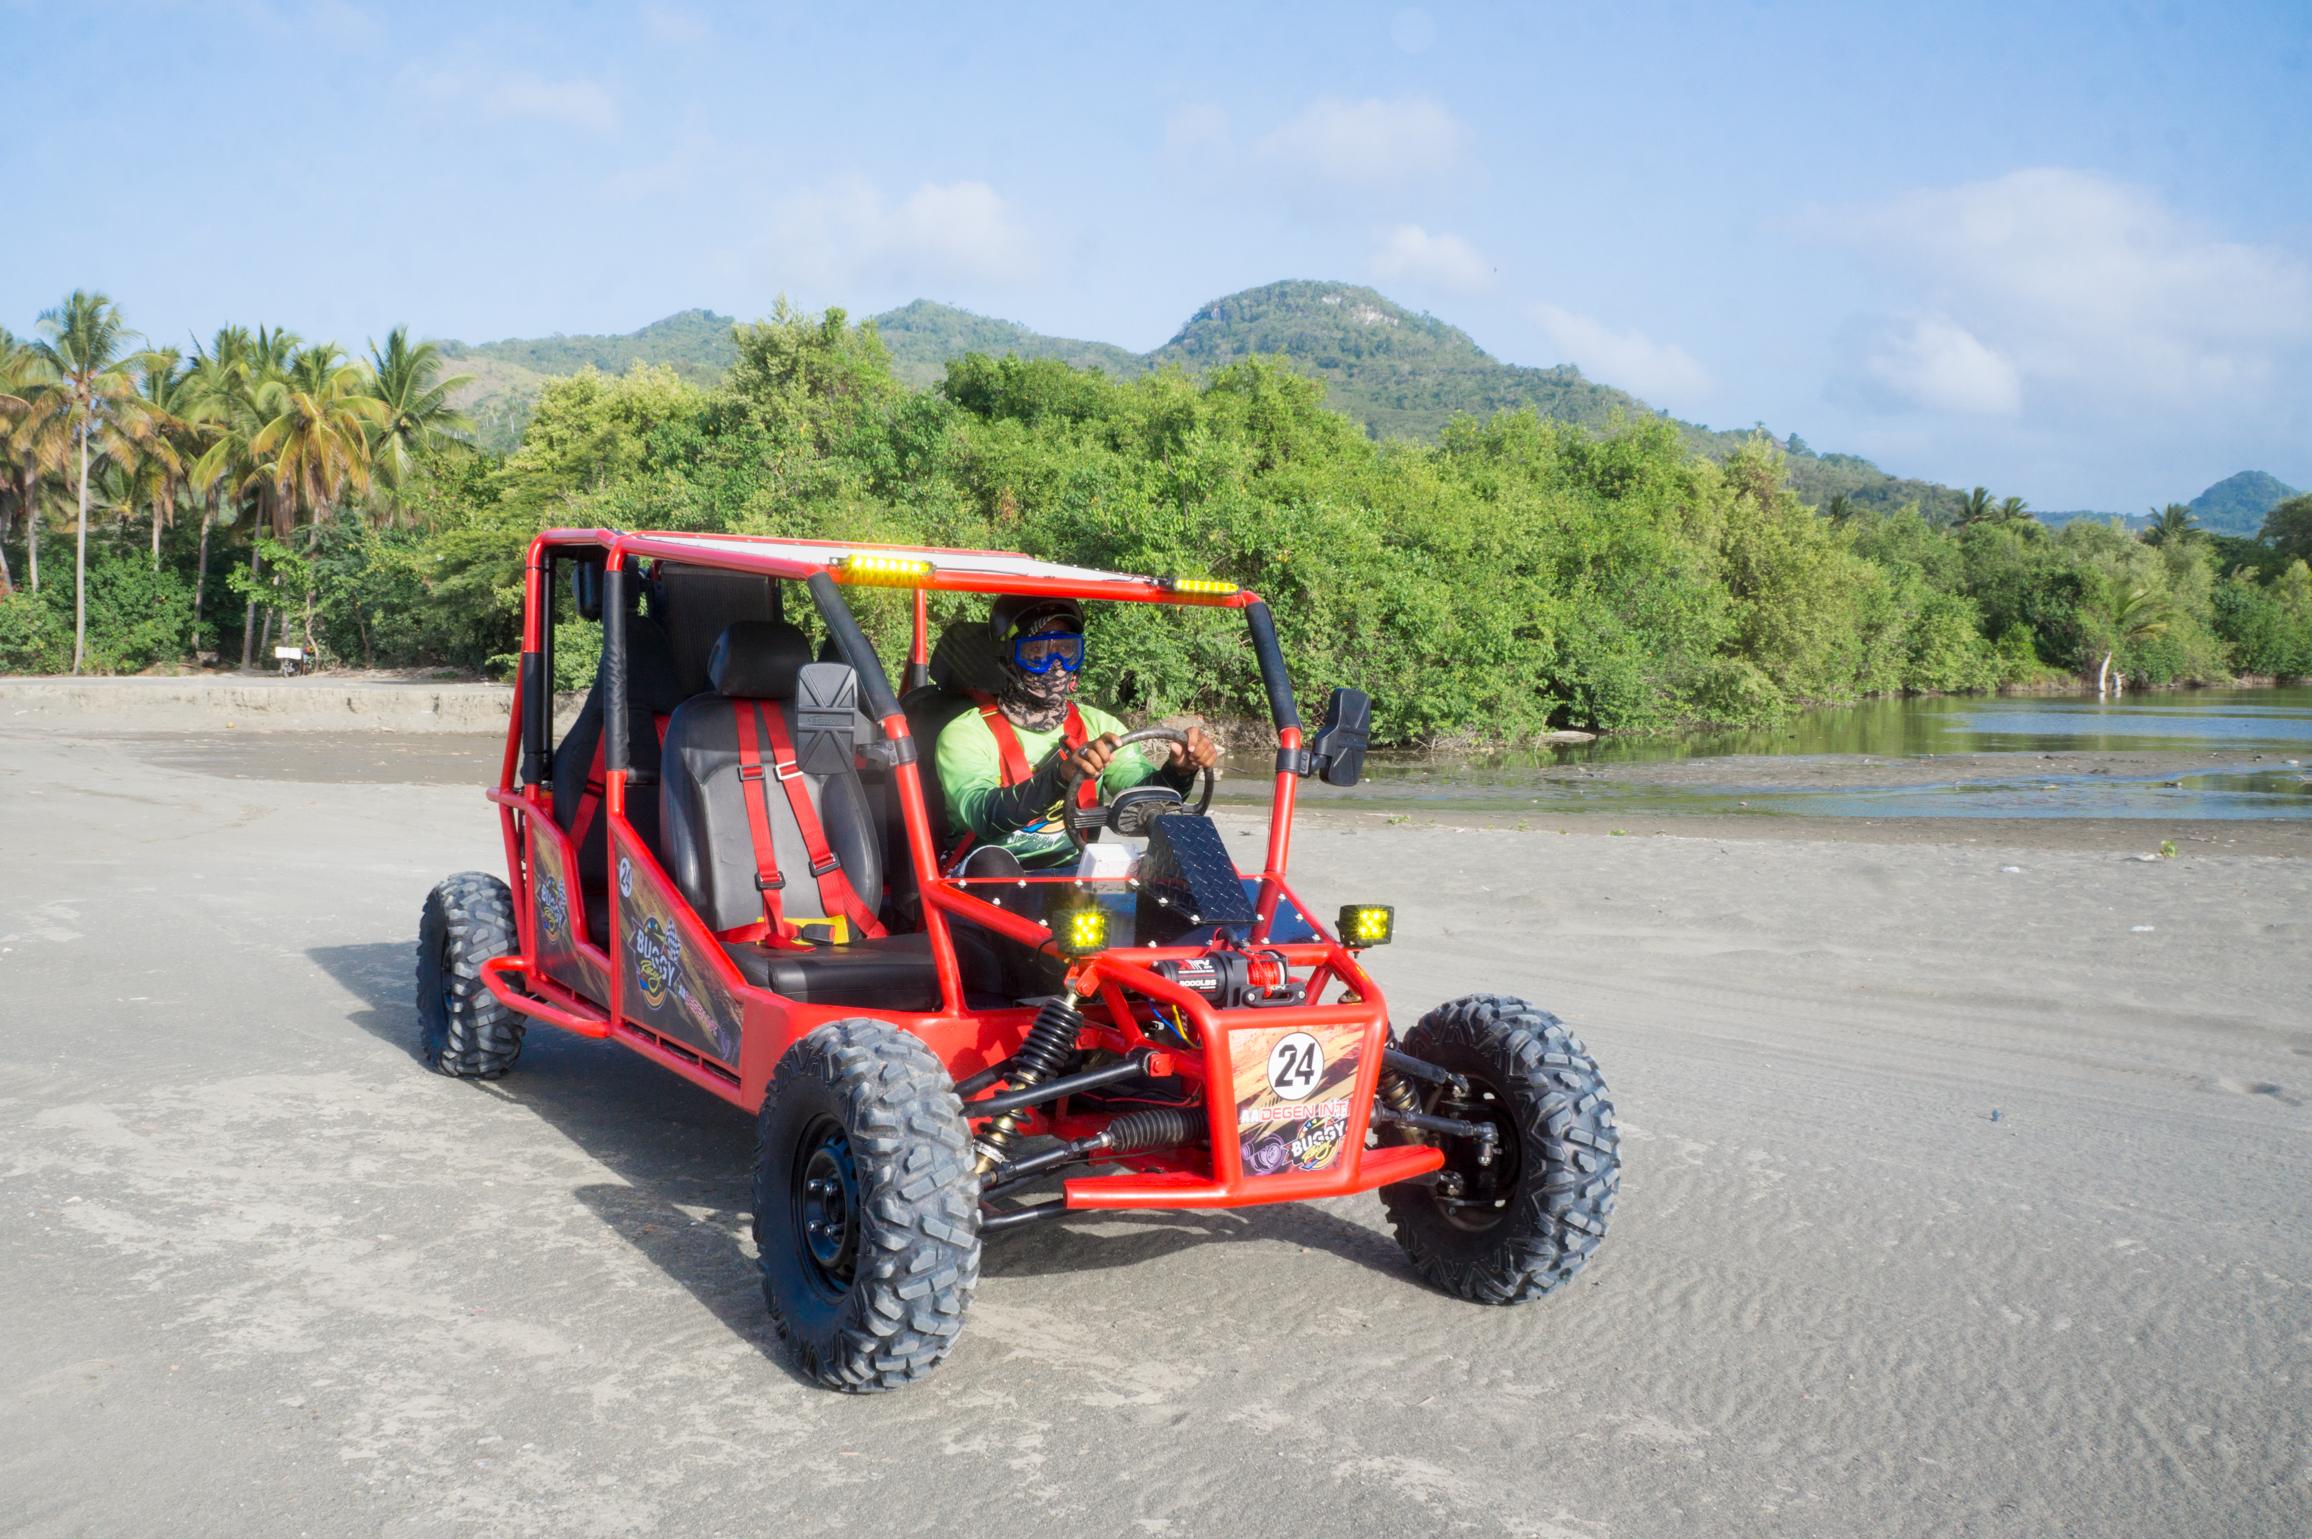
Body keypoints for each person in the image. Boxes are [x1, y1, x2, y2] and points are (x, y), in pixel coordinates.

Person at [936, 595, 1220, 869]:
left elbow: (1142, 798)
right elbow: (983, 814)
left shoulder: (1100, 726)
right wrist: (1060, 776)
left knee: (1173, 865)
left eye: (1066, 650)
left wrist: (1179, 772)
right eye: (1037, 653)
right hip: (982, 876)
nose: (1056, 666)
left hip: (1073, 870)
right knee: (994, 865)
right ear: (1009, 658)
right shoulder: (964, 733)